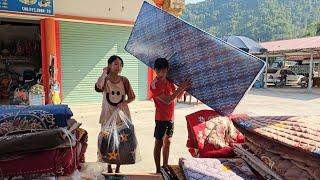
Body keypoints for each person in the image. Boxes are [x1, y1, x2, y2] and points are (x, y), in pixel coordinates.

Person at [150, 58, 191, 173]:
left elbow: (177, 97)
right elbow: (167, 100)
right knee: (159, 143)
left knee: (167, 143)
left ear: (167, 70)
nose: (161, 74)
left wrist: (183, 90)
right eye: (158, 71)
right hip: (160, 119)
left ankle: (165, 167)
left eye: (163, 71)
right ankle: (158, 170)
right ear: (155, 70)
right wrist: (181, 88)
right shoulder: (154, 84)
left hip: (170, 118)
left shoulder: (169, 82)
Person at [95, 55, 135, 173]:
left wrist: (125, 102)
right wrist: (104, 73)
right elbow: (98, 87)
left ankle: (118, 168)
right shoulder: (104, 80)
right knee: (107, 143)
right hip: (107, 117)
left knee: (122, 144)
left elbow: (132, 97)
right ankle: (108, 168)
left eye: (120, 64)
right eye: (115, 64)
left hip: (122, 117)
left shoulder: (124, 80)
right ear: (109, 66)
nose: (119, 67)